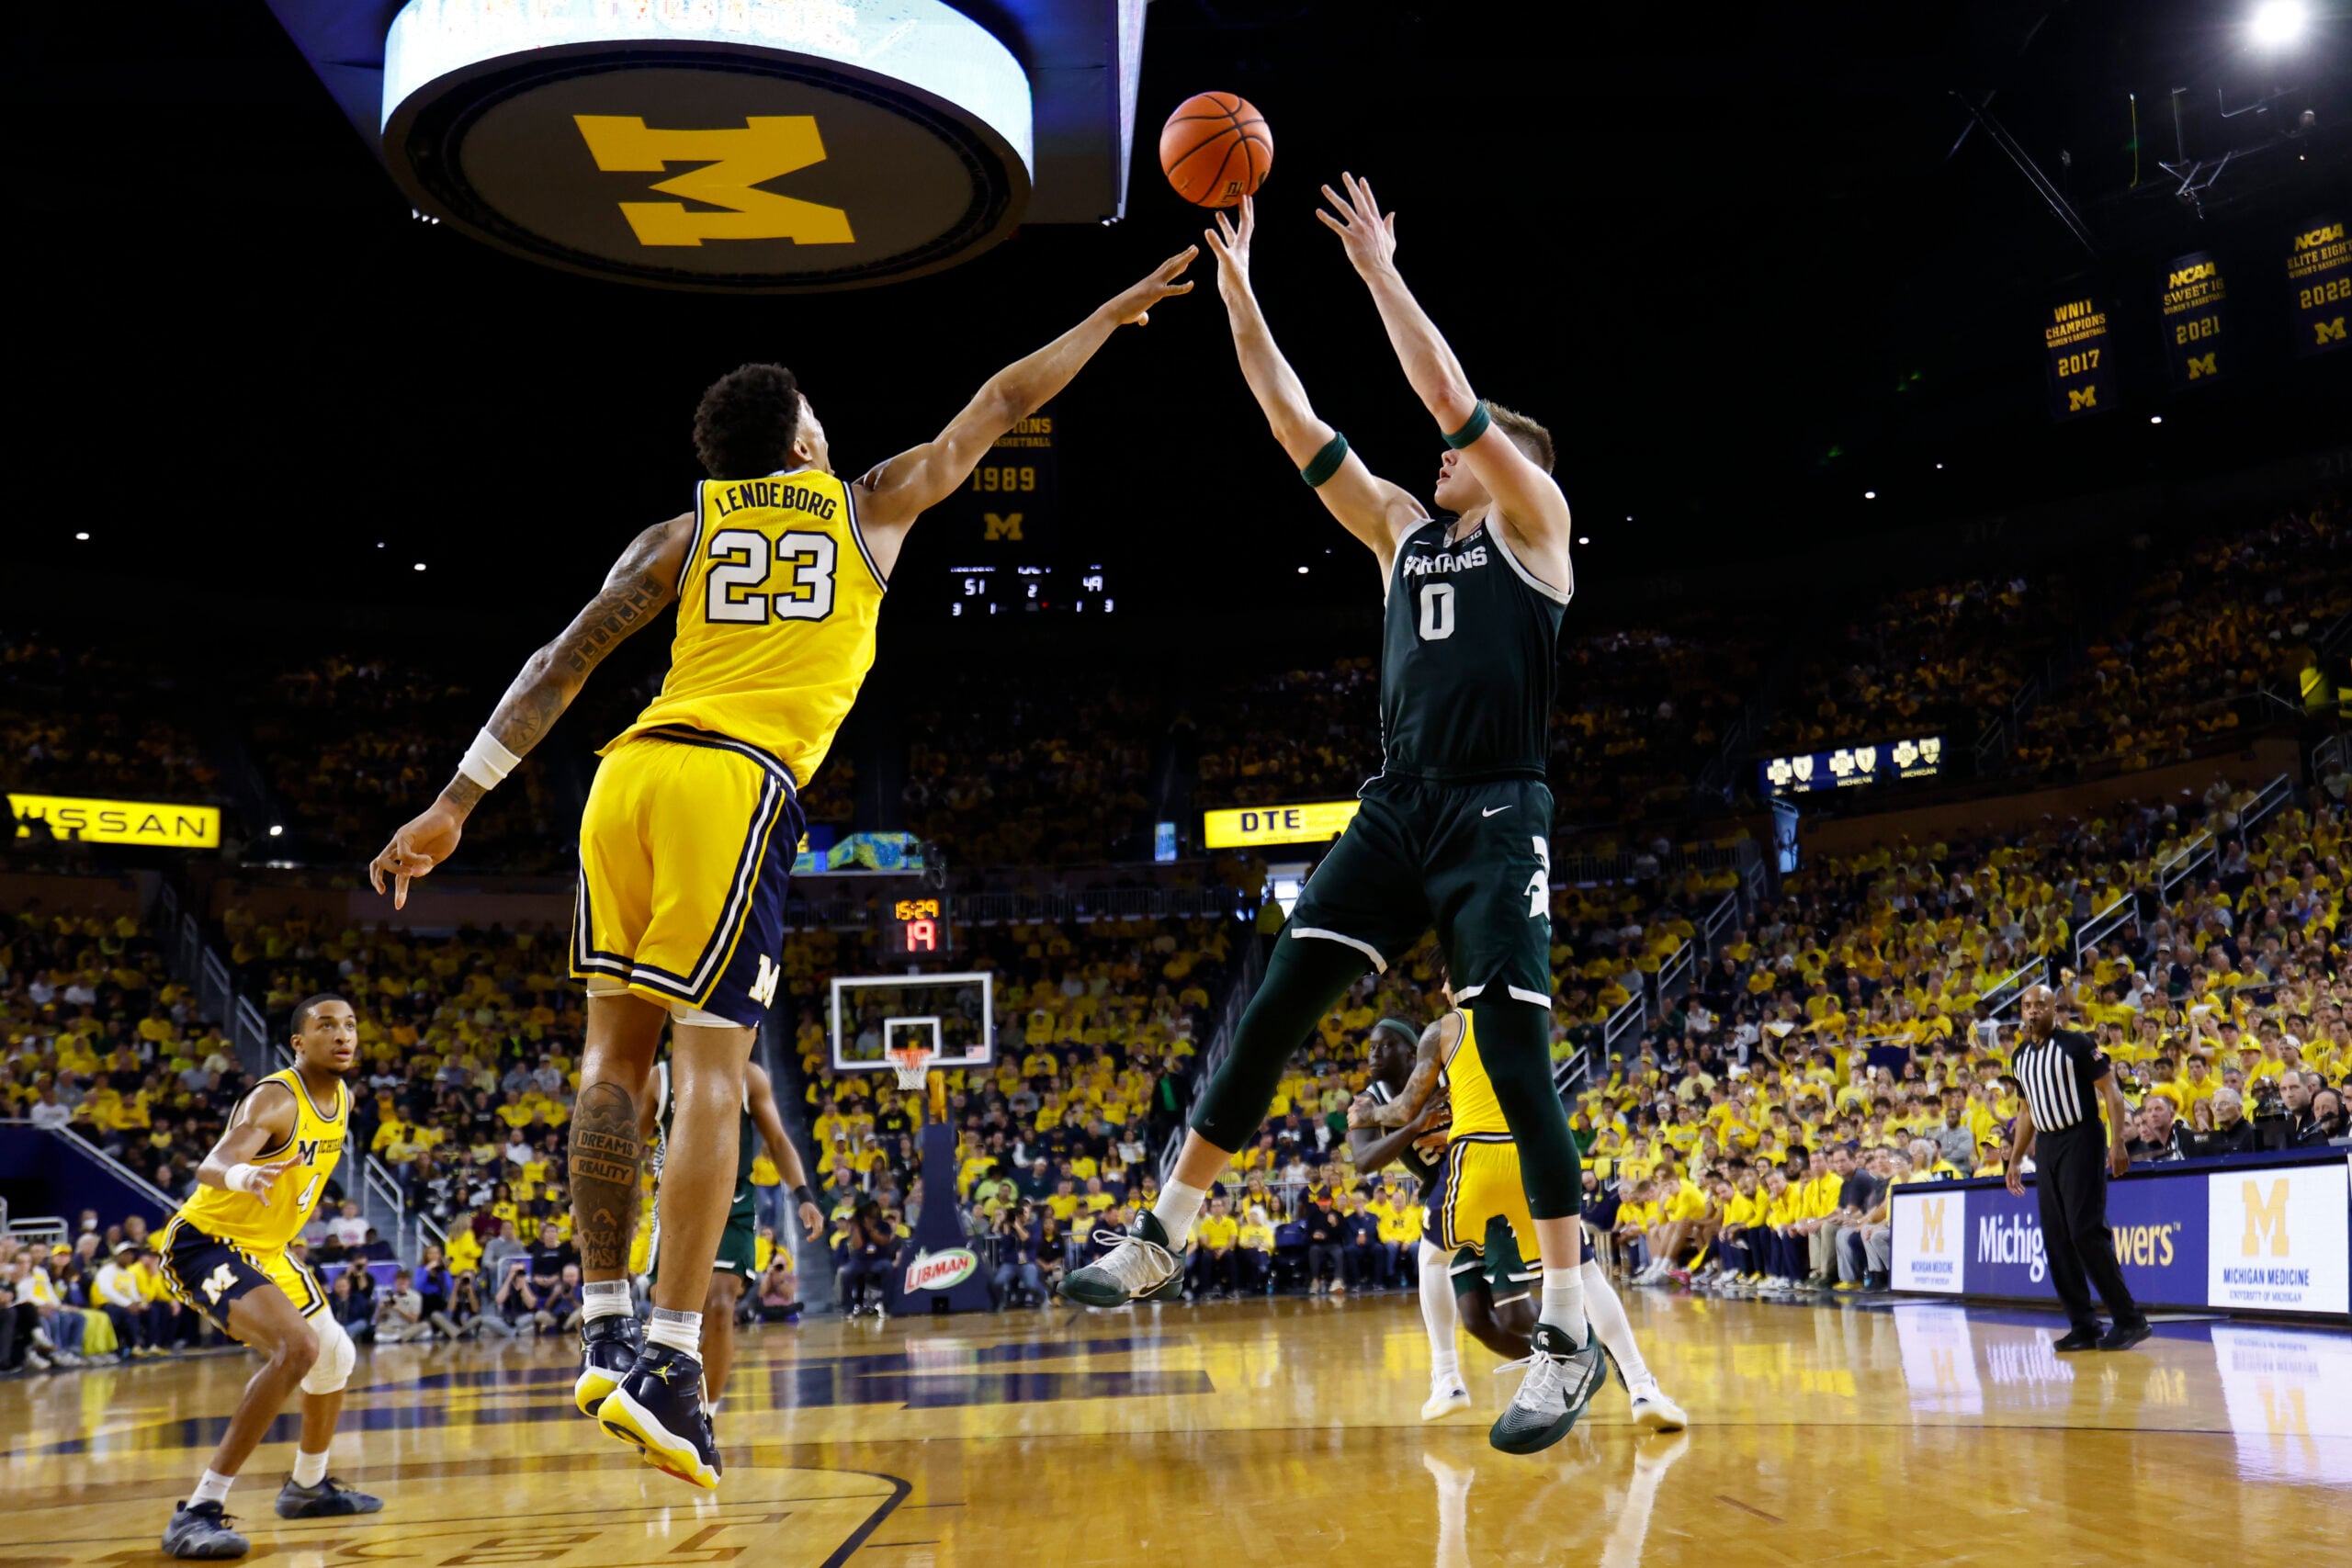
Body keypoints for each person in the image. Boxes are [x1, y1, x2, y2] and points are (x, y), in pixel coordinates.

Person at [368, 246, 1196, 1493]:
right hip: (733, 784)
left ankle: (601, 1322)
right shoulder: (868, 504)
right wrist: (1113, 313)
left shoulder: (677, 527)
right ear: (802, 443)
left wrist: (451, 803)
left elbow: (556, 660)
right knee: (712, 1072)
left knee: (612, 1061)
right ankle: (665, 1357)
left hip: (624, 778)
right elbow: (1002, 404)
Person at [1060, 182, 1601, 1458]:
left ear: (1507, 461)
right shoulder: (1402, 533)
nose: (1439, 457)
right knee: (1276, 1005)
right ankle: (1165, 1231)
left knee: (1516, 1069)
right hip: (1397, 804)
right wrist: (1244, 295)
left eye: (1463, 448)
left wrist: (1375, 269)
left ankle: (1571, 1328)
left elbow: (1441, 391)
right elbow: (1292, 419)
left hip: (1494, 812)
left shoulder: (1535, 526)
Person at [1358, 1010, 1687, 1434]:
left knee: (1511, 1309)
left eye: (1384, 1045)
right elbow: (1366, 1158)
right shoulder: (1371, 1095)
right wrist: (1410, 1125)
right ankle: (1601, 1380)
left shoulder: (1446, 1046)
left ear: (1411, 1048)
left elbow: (1414, 1107)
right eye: (1370, 1046)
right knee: (1479, 1320)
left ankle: (1579, 1362)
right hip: (1470, 1180)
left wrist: (1395, 1119)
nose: (1374, 1053)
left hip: (1478, 1175)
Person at [153, 995, 383, 1558]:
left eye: (350, 1025)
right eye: (326, 1025)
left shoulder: (344, 1097)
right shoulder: (277, 1098)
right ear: (299, 1042)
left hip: (268, 1249)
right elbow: (209, 1164)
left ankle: (308, 1487)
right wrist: (240, 1177)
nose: (343, 1035)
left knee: (336, 1356)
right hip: (206, 1245)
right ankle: (199, 1509)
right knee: (297, 1348)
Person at [641, 1058, 824, 1416]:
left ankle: (705, 1414)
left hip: (732, 1202)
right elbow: (629, 1142)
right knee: (668, 1316)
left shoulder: (748, 1076)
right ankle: (658, 1403)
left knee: (722, 1305)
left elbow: (777, 1139)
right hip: (676, 1206)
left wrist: (803, 1195)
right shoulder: (660, 1079)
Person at [2005, 985, 2149, 1353]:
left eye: (2040, 1005)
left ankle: (2130, 1319)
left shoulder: (2077, 1044)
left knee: (2085, 1230)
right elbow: (2026, 1112)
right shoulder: (2020, 1057)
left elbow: (2112, 1092)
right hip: (2048, 1146)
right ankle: (2084, 1325)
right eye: (2027, 1006)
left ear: (2055, 1009)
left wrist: (2117, 1143)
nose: (2033, 1011)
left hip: (2082, 1137)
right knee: (2056, 1238)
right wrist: (2016, 1158)